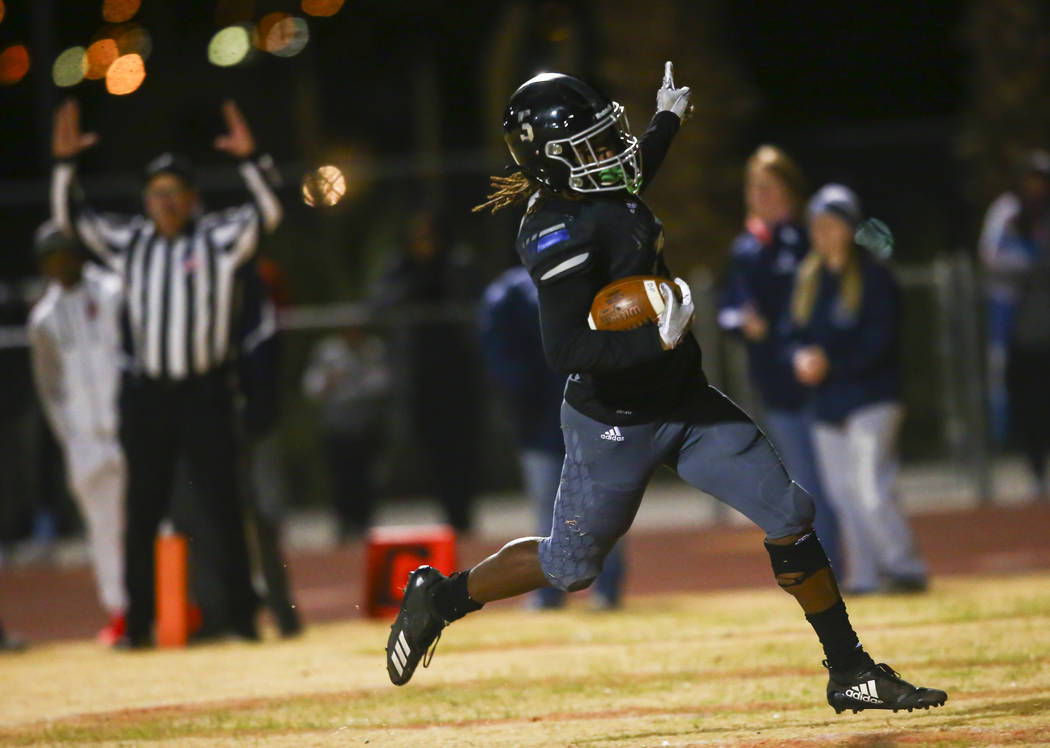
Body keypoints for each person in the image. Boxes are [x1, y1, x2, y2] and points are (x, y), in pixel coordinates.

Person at [384, 65, 947, 715]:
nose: (612, 155)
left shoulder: (605, 188)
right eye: (592, 146)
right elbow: (563, 349)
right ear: (553, 162)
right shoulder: (553, 232)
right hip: (612, 421)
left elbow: (632, 169)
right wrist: (654, 339)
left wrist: (667, 120)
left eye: (607, 138)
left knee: (790, 514)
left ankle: (849, 669)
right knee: (571, 568)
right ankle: (442, 598)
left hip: (685, 400)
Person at [50, 97, 282, 648]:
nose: (167, 202)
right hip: (150, 394)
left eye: (176, 193)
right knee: (144, 509)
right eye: (158, 194)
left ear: (192, 199)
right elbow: (71, 223)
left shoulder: (218, 239)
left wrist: (252, 159)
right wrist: (64, 167)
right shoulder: (131, 243)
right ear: (147, 201)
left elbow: (269, 214)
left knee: (225, 504)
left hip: (205, 389)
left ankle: (242, 619)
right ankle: (138, 626)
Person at [789, 184, 928, 595]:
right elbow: (792, 334)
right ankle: (865, 575)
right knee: (843, 494)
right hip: (828, 402)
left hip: (873, 397)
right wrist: (800, 357)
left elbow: (880, 341)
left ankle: (905, 567)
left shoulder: (874, 276)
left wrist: (830, 362)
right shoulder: (810, 278)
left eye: (833, 224)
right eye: (818, 224)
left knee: (871, 486)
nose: (824, 232)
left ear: (850, 227)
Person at [718, 145, 841, 575]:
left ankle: (838, 568)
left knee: (827, 481)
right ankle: (829, 568)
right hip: (774, 383)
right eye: (754, 187)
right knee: (800, 482)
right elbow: (729, 307)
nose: (759, 195)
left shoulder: (809, 237)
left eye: (768, 187)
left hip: (819, 379)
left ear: (789, 190)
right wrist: (741, 322)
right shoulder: (747, 248)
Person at [479, 263, 625, 610]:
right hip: (540, 419)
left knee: (604, 504)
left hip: (592, 416)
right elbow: (498, 355)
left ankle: (607, 587)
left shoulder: (594, 285)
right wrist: (522, 394)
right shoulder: (509, 294)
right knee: (549, 507)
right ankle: (549, 590)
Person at [26, 221, 127, 645]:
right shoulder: (43, 319)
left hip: (125, 427)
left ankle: (171, 603)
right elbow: (49, 387)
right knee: (102, 527)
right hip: (84, 440)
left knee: (150, 521)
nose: (60, 263)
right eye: (51, 258)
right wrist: (70, 436)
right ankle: (120, 610)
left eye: (66, 253)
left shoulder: (112, 292)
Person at [373, 210, 483, 532]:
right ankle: (448, 511)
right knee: (430, 448)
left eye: (429, 235)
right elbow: (377, 303)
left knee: (463, 446)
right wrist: (412, 283)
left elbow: (478, 301)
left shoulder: (459, 263)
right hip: (419, 374)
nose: (425, 243)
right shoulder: (401, 266)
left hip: (459, 372)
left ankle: (463, 513)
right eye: (418, 236)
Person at [978, 151, 1050, 446]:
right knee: (1004, 377)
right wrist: (1031, 262)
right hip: (1007, 310)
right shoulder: (1006, 209)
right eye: (1032, 179)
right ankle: (1006, 441)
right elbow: (990, 255)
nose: (1037, 187)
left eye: (1042, 180)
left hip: (1043, 311)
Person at [996, 154, 1050, 500]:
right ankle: (1036, 472)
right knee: (1030, 406)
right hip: (1025, 335)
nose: (1035, 187)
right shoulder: (1010, 217)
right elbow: (995, 262)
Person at [302, 329, 391, 539]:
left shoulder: (372, 350)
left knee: (366, 477)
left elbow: (382, 382)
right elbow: (312, 387)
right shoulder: (328, 352)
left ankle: (365, 522)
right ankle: (344, 523)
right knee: (341, 478)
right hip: (337, 425)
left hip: (364, 424)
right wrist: (330, 381)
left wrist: (358, 378)